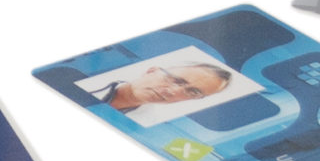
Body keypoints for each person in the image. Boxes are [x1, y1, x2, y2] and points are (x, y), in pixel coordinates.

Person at [87, 60, 232, 114]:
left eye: (193, 92)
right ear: (152, 71)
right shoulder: (88, 78)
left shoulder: (143, 126)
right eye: (177, 80)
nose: (173, 91)